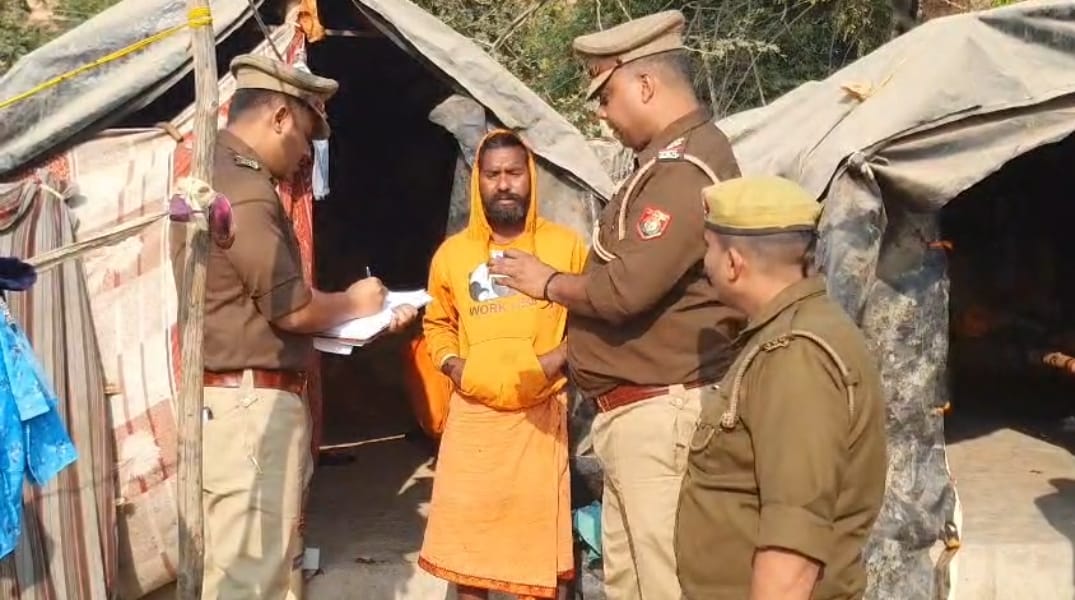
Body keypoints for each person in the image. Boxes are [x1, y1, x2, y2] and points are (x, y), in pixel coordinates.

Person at [489, 10, 742, 600]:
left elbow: (625, 289)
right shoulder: (660, 165)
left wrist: (548, 282)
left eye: (606, 95)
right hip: (635, 418)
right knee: (632, 584)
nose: (601, 113)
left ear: (646, 84)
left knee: (667, 583)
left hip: (661, 418)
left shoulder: (685, 171)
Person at [169, 54, 417, 599]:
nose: (306, 153)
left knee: (268, 571)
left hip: (239, 404)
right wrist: (356, 302)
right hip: (249, 409)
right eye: (305, 135)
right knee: (249, 580)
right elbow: (291, 309)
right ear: (279, 116)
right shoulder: (243, 188)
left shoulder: (216, 176)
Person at [676, 176, 888, 600]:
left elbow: (794, 540)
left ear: (733, 263)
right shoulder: (792, 333)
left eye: (709, 249)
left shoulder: (795, 355)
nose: (705, 263)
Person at [418, 130, 587, 600]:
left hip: (540, 420)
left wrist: (554, 360)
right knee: (469, 561)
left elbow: (591, 319)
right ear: (478, 181)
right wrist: (455, 367)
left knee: (538, 564)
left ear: (530, 177)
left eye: (514, 172)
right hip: (474, 420)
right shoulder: (453, 254)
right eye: (493, 174)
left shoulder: (566, 247)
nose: (504, 184)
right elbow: (436, 323)